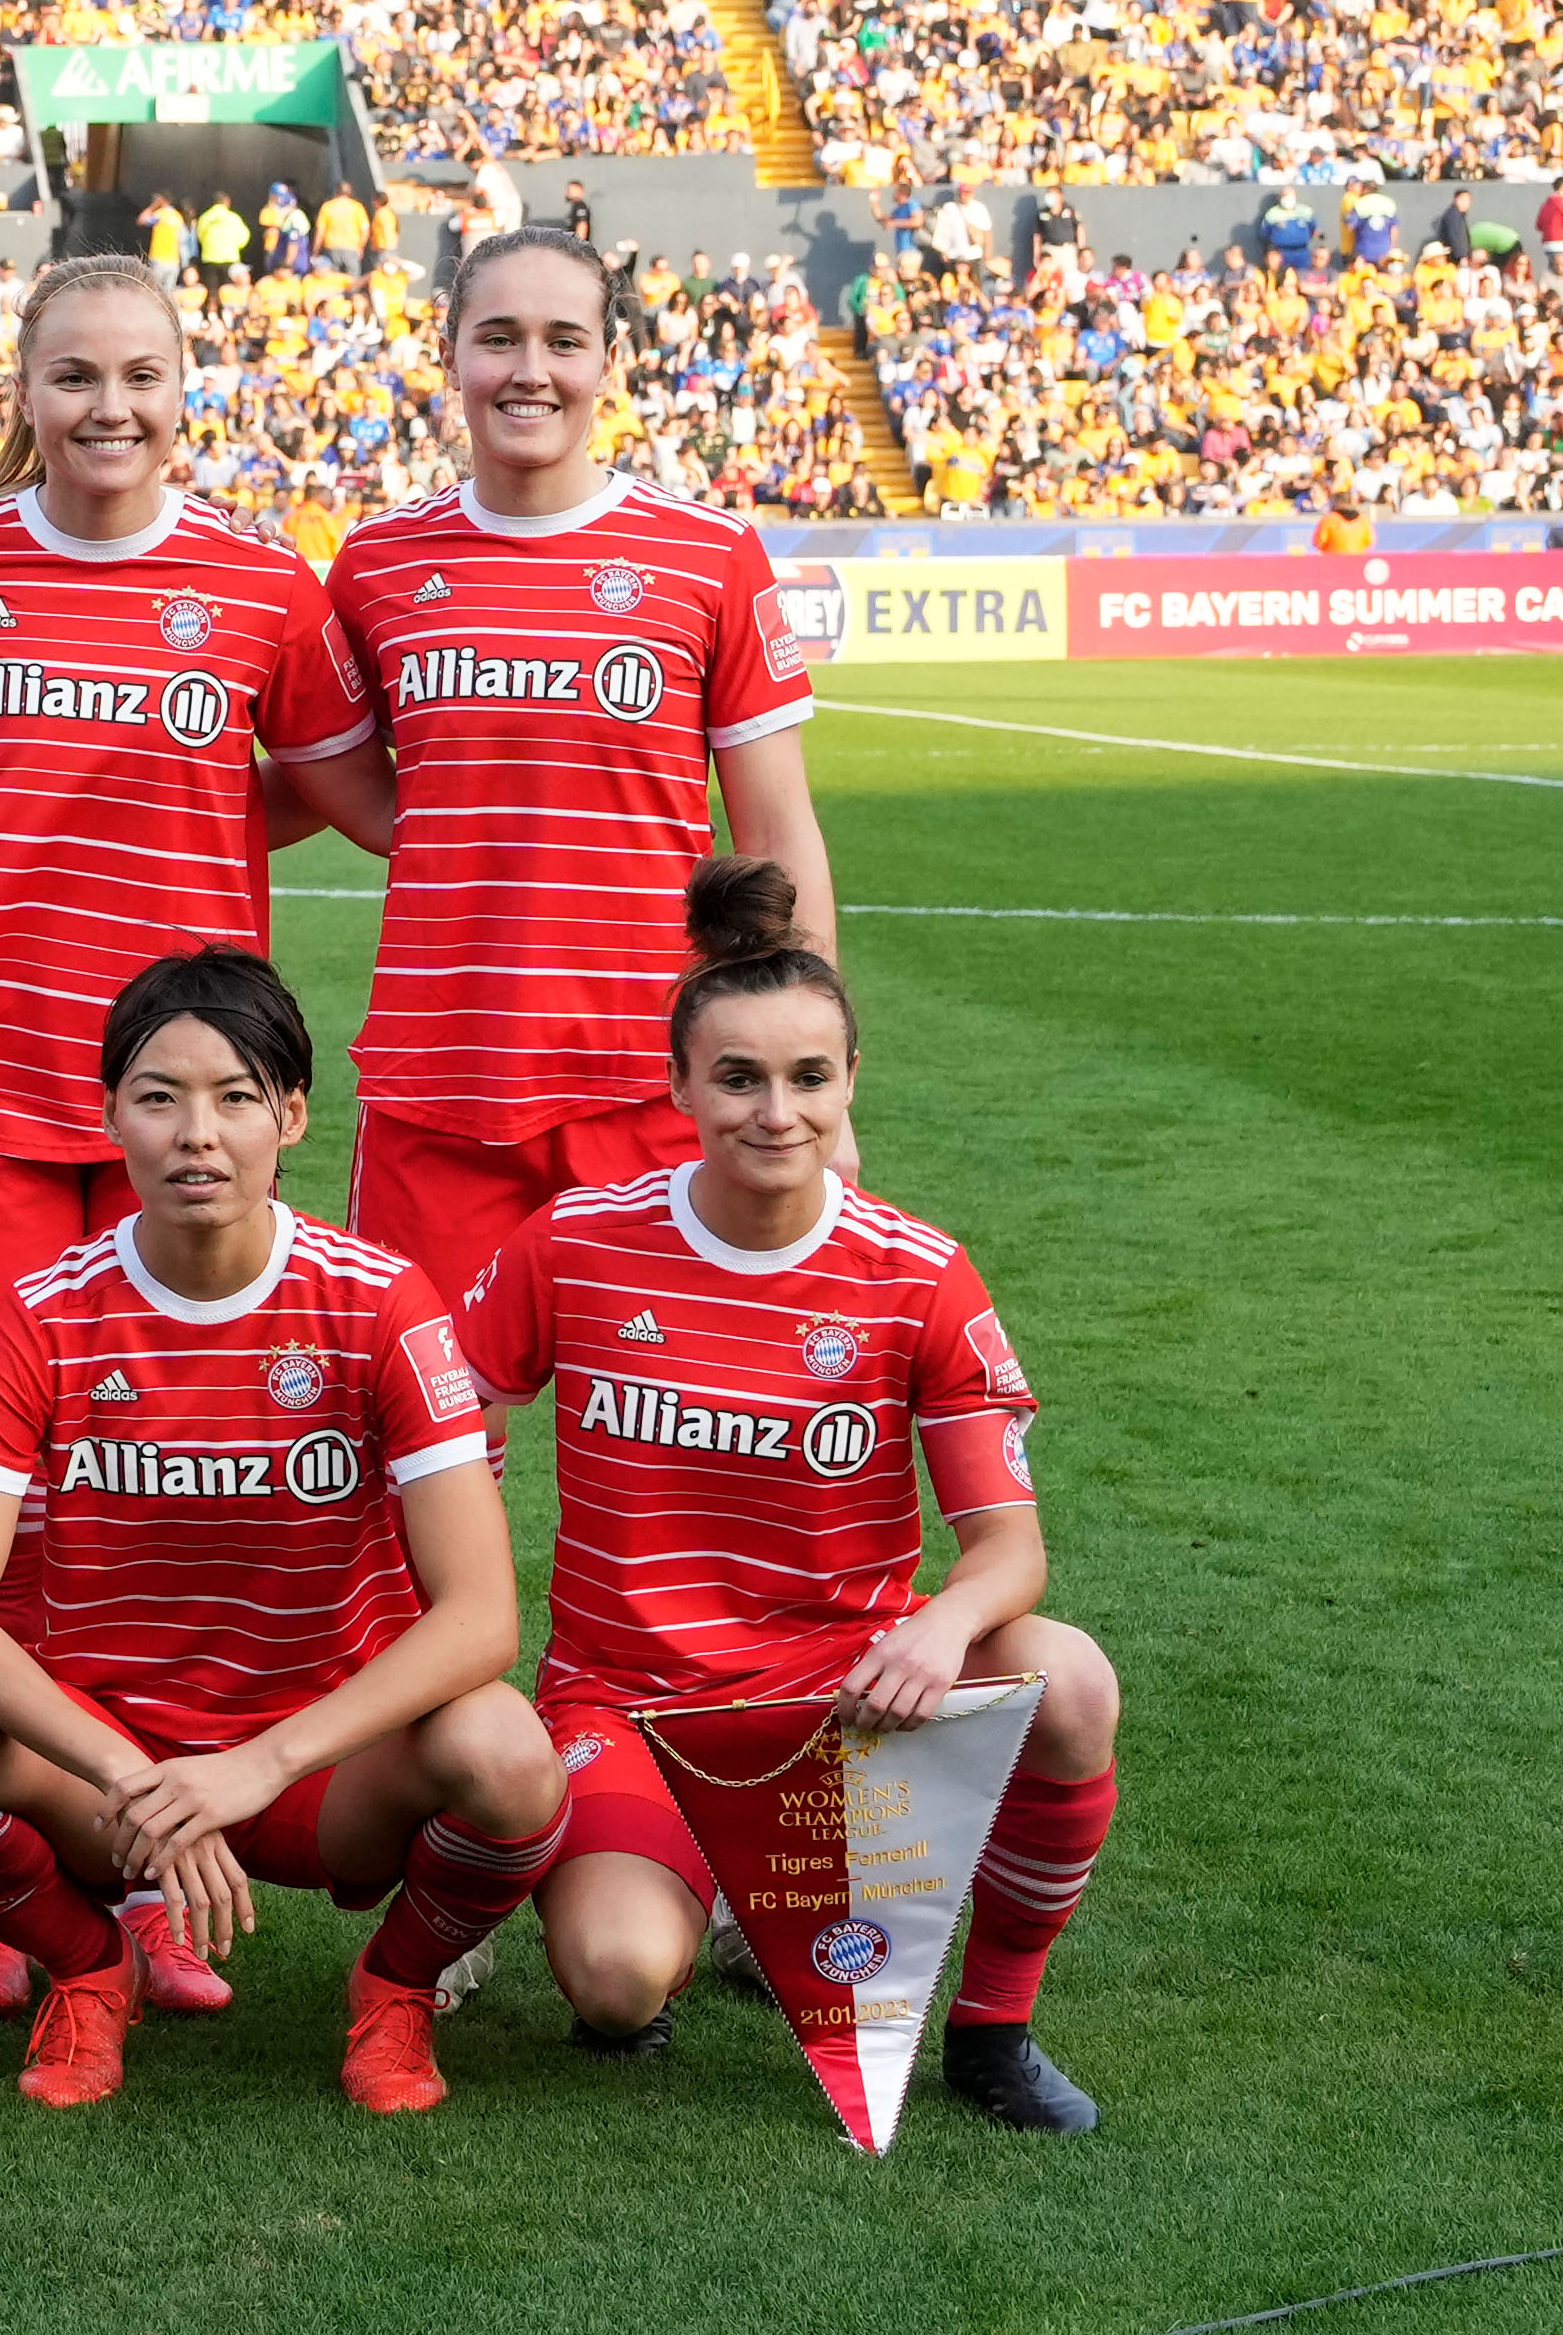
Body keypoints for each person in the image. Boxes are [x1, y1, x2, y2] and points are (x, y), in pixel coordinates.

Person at [0, 257, 391, 2000]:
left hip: (184, 1116)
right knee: (18, 1508)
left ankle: (154, 1876)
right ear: (24, 392)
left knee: (156, 1508)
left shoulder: (263, 585)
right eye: (76, 377)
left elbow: (353, 791)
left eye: (143, 375)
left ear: (189, 387)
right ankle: (13, 1889)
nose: (112, 407)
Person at [452, 861, 1120, 2134]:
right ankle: (710, 1883)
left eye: (807, 1078)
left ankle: (993, 2032)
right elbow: (445, 1432)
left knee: (1070, 1677)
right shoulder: (574, 1243)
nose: (774, 1111)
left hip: (847, 1693)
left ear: (849, 1083)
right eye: (737, 1078)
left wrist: (931, 1628)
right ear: (678, 1088)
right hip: (629, 1697)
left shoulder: (916, 1273)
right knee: (610, 1983)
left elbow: (1005, 1550)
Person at [0, 950, 559, 2111]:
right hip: (106, 1774)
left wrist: (259, 1765)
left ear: (289, 1114)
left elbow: (482, 1616)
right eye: (158, 1096)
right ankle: (91, 1967)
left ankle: (393, 1990)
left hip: (317, 1770)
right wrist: (136, 1775)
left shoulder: (382, 1302)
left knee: (507, 1753)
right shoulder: (40, 1314)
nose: (198, 1132)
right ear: (108, 1117)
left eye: (235, 1096)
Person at [316, 228, 832, 1299]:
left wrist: (805, 1081)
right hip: (434, 1090)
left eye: (562, 339)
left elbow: (776, 834)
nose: (528, 370)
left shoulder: (708, 556)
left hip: (653, 1082)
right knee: (434, 1445)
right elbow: (353, 787)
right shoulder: (373, 565)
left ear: (608, 361)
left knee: (668, 1431)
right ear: (449, 350)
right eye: (496, 338)